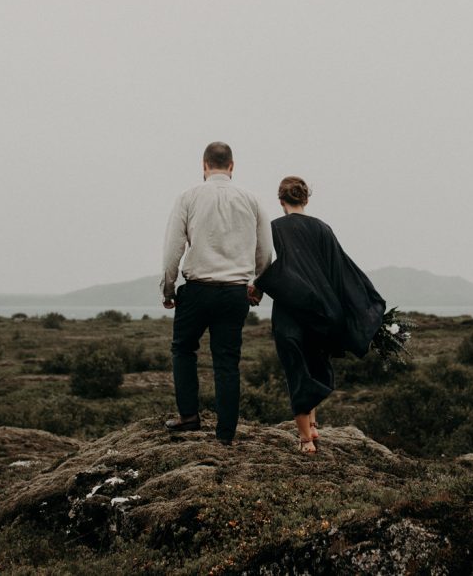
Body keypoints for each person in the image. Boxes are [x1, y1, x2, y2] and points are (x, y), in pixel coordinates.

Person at [249, 177, 386, 455]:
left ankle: (305, 439)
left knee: (296, 368)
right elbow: (341, 270)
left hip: (291, 309)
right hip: (322, 310)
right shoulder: (323, 229)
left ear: (280, 201)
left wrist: (257, 287)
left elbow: (264, 264)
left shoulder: (273, 228)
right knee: (313, 362)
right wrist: (354, 307)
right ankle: (311, 424)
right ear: (306, 199)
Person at [160, 142, 272, 445]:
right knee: (226, 362)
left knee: (183, 350)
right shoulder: (252, 200)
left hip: (197, 290)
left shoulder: (188, 197)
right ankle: (225, 434)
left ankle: (189, 417)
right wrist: (258, 286)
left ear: (204, 165)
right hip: (235, 292)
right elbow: (266, 251)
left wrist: (168, 288)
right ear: (232, 166)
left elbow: (173, 248)